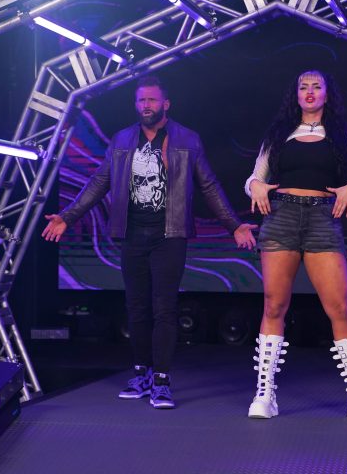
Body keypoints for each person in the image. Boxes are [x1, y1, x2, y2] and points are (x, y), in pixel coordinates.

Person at [43, 76, 257, 409]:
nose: (146, 105)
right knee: (137, 308)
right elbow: (99, 182)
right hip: (132, 234)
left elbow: (209, 185)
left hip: (169, 235)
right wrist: (67, 217)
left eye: (152, 100)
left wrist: (234, 225)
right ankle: (142, 373)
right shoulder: (122, 139)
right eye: (141, 100)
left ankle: (161, 380)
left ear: (165, 104)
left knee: (164, 308)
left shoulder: (187, 139)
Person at [244, 69, 347, 423]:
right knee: (274, 304)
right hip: (281, 217)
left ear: (326, 93)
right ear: (295, 94)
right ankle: (264, 394)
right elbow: (255, 178)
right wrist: (254, 186)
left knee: (338, 307)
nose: (309, 92)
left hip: (323, 218)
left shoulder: (343, 136)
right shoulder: (279, 134)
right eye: (303, 87)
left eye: (316, 86)